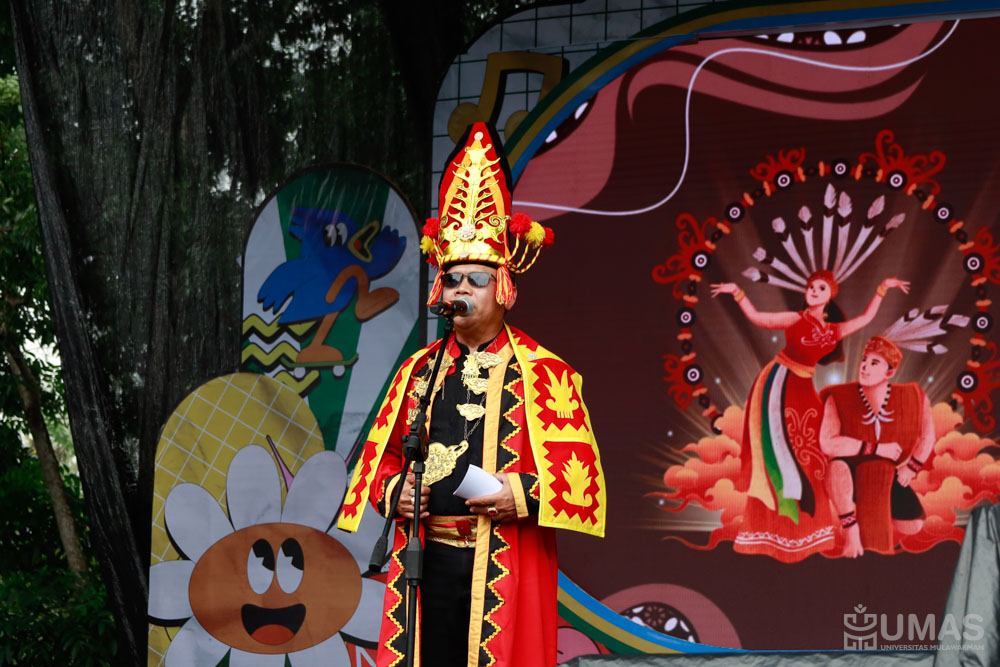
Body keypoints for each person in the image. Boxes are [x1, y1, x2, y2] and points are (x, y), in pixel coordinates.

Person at [337, 122, 605, 667]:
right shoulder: (418, 371)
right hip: (425, 559)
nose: (460, 289)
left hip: (500, 559)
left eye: (475, 280)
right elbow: (378, 464)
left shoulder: (545, 373)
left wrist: (519, 493)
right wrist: (393, 492)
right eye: (452, 279)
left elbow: (582, 486)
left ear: (504, 288)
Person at [710, 271, 908, 562]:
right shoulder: (795, 318)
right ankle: (771, 527)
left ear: (830, 295)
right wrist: (737, 292)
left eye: (821, 288)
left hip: (804, 387)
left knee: (812, 453)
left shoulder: (833, 331)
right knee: (777, 447)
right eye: (811, 286)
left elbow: (866, 318)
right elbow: (759, 318)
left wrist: (882, 288)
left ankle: (807, 528)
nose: (814, 291)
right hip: (779, 385)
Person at [818, 335, 933, 556]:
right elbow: (828, 443)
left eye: (874, 363)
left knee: (913, 525)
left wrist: (912, 467)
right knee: (836, 468)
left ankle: (877, 521)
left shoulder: (913, 396)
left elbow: (928, 436)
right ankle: (852, 531)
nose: (864, 367)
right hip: (849, 472)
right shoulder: (838, 396)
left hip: (887, 474)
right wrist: (876, 448)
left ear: (889, 372)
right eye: (864, 360)